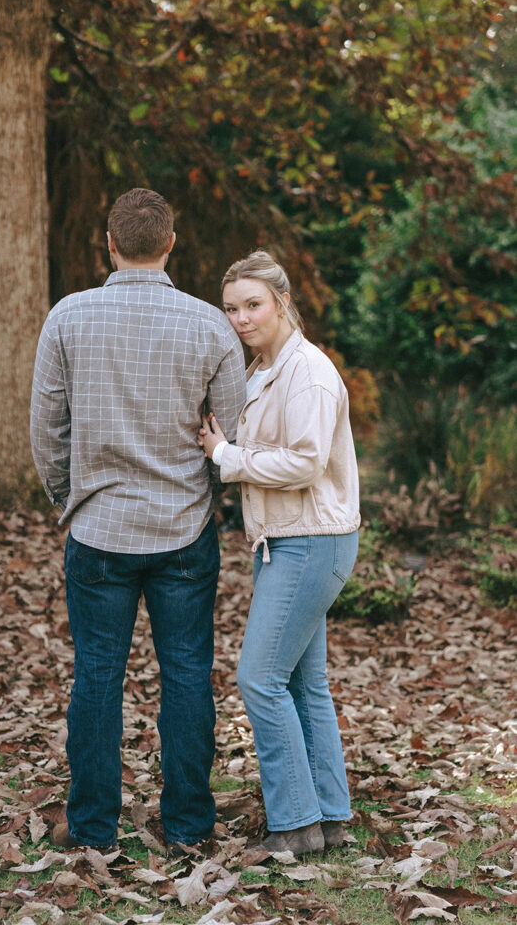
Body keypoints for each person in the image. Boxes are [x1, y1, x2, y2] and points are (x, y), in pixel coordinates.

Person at [30, 188, 247, 850]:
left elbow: (47, 429)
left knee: (97, 674)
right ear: (170, 245)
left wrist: (71, 499)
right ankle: (187, 826)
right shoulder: (210, 325)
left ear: (110, 243)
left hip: (98, 532)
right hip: (184, 530)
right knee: (186, 674)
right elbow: (231, 432)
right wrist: (210, 498)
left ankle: (93, 829)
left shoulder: (68, 318)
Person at [198, 250, 360, 856]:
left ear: (283, 302)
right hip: (291, 538)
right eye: (231, 308)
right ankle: (331, 818)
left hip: (312, 541)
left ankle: (293, 826)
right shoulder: (263, 369)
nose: (241, 319)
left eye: (252, 305)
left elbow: (304, 462)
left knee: (260, 678)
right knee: (302, 682)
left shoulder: (308, 373)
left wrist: (225, 457)